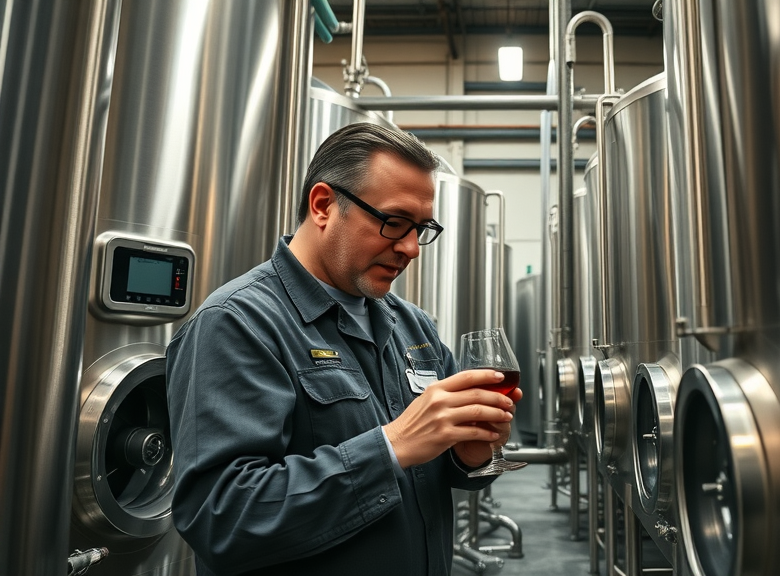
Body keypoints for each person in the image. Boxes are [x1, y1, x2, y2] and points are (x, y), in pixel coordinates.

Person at [165, 122, 521, 576]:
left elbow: (442, 471)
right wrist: (391, 446)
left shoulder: (413, 325)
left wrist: (468, 455)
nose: (411, 248)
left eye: (421, 228)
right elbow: (222, 518)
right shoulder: (238, 323)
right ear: (323, 205)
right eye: (394, 222)